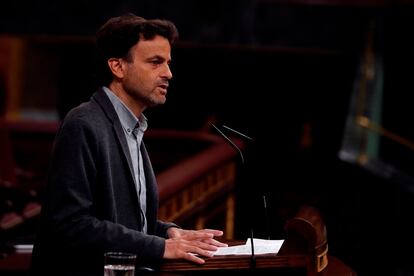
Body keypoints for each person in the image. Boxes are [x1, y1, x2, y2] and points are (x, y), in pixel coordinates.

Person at [31, 14, 227, 276]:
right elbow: (72, 225)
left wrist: (167, 231)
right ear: (118, 67)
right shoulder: (84, 123)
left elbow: (121, 220)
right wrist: (160, 247)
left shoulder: (132, 127)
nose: (168, 73)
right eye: (155, 62)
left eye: (168, 63)